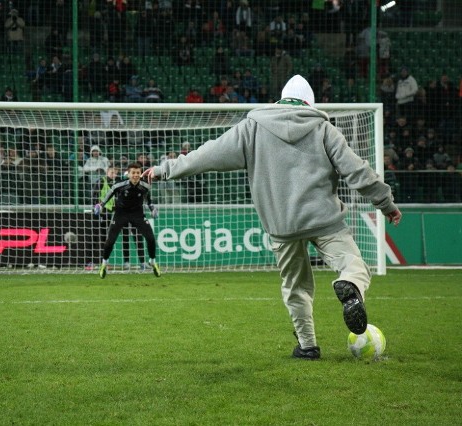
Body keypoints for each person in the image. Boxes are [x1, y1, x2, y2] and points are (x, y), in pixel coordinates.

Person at [142, 75, 402, 360]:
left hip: (282, 225)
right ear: (309, 103)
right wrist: (385, 203)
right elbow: (358, 171)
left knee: (295, 287)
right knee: (354, 264)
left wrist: (166, 169)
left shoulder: (252, 128)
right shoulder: (323, 128)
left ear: (280, 99)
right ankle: (351, 284)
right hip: (324, 219)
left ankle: (307, 346)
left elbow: (207, 154)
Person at [94, 162, 161, 279]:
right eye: (133, 173)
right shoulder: (120, 184)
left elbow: (149, 200)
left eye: (138, 173)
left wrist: (152, 208)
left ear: (140, 174)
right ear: (128, 174)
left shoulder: (145, 186)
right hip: (121, 214)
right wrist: (101, 205)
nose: (135, 175)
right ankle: (104, 263)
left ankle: (152, 261)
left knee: (150, 238)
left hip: (137, 214)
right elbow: (109, 194)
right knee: (110, 241)